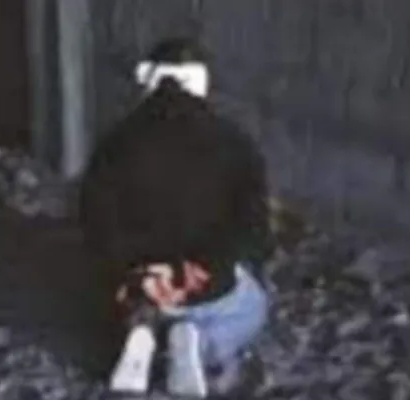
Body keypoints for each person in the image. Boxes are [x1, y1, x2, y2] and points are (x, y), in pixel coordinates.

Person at [78, 38, 273, 398]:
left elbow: (94, 220)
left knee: (105, 300)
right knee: (253, 307)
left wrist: (137, 271)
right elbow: (253, 228)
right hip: (203, 285)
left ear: (149, 80)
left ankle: (142, 333)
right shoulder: (236, 142)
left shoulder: (115, 142)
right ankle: (196, 342)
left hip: (140, 286)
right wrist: (199, 270)